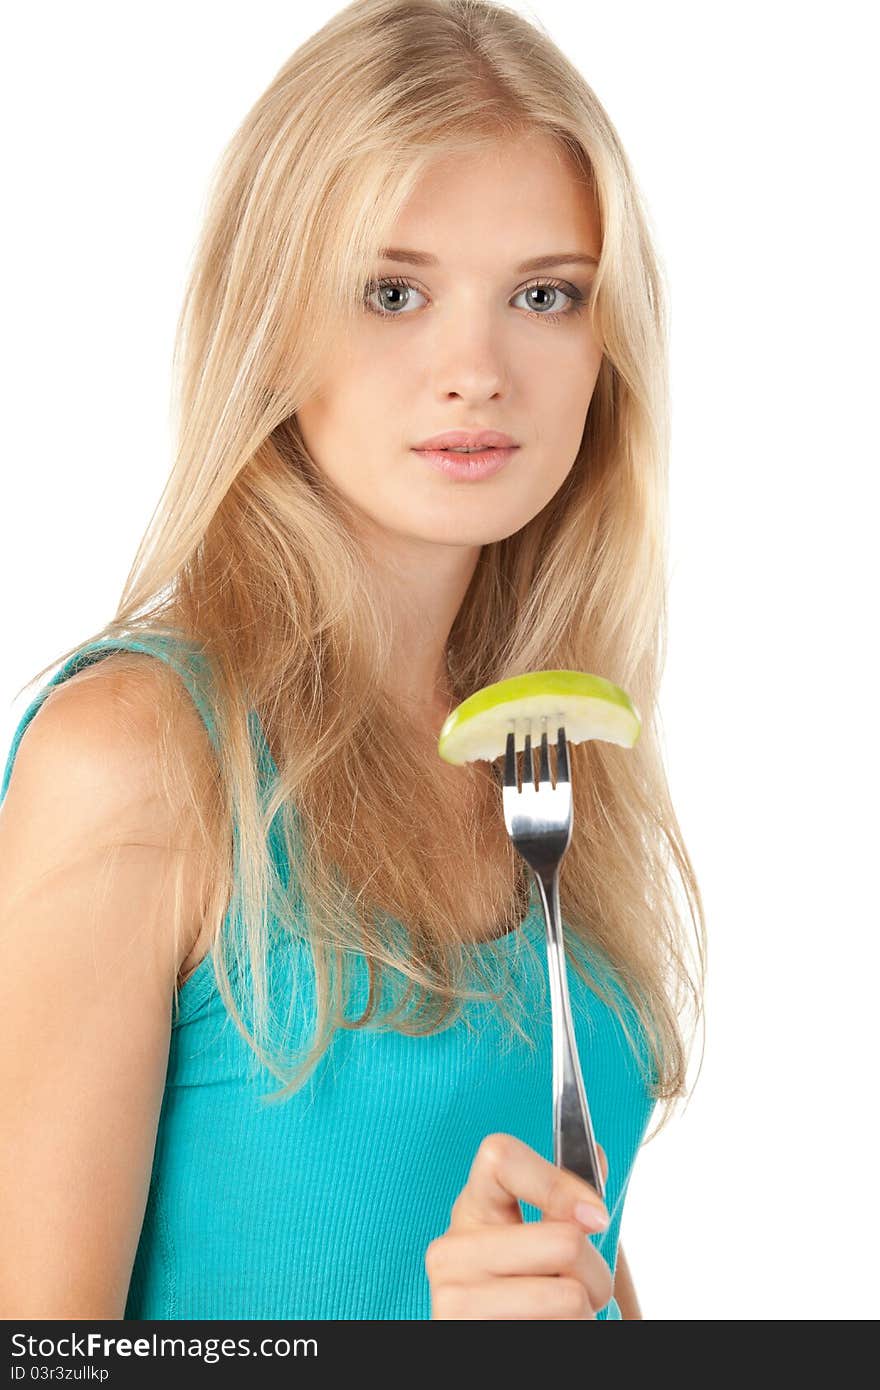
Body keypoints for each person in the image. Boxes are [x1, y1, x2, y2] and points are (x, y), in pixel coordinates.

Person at [0, 0, 706, 1320]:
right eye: (392, 291)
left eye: (544, 295)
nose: (476, 369)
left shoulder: (543, 759)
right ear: (268, 320)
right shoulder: (139, 758)